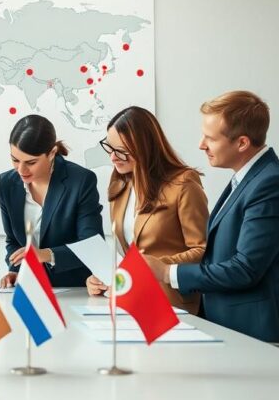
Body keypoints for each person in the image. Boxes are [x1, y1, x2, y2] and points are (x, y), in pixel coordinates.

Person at [144, 91, 279, 343]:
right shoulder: (248, 177)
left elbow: (244, 269)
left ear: (242, 143)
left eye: (210, 138)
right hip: (221, 320)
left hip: (251, 332)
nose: (201, 145)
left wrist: (167, 273)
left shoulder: (272, 185)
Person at [85, 106, 208, 313]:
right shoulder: (120, 183)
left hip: (172, 302)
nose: (113, 158)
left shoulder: (183, 183)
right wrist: (102, 277)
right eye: (109, 147)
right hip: (131, 299)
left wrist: (157, 267)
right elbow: (128, 252)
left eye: (121, 151)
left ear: (145, 147)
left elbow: (202, 250)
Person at [0, 115, 103, 288]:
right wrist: (15, 270)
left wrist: (45, 254)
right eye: (15, 160)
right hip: (29, 288)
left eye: (31, 162)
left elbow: (91, 246)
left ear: (52, 153)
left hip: (73, 289)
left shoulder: (81, 181)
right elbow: (13, 240)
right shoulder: (6, 182)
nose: (21, 170)